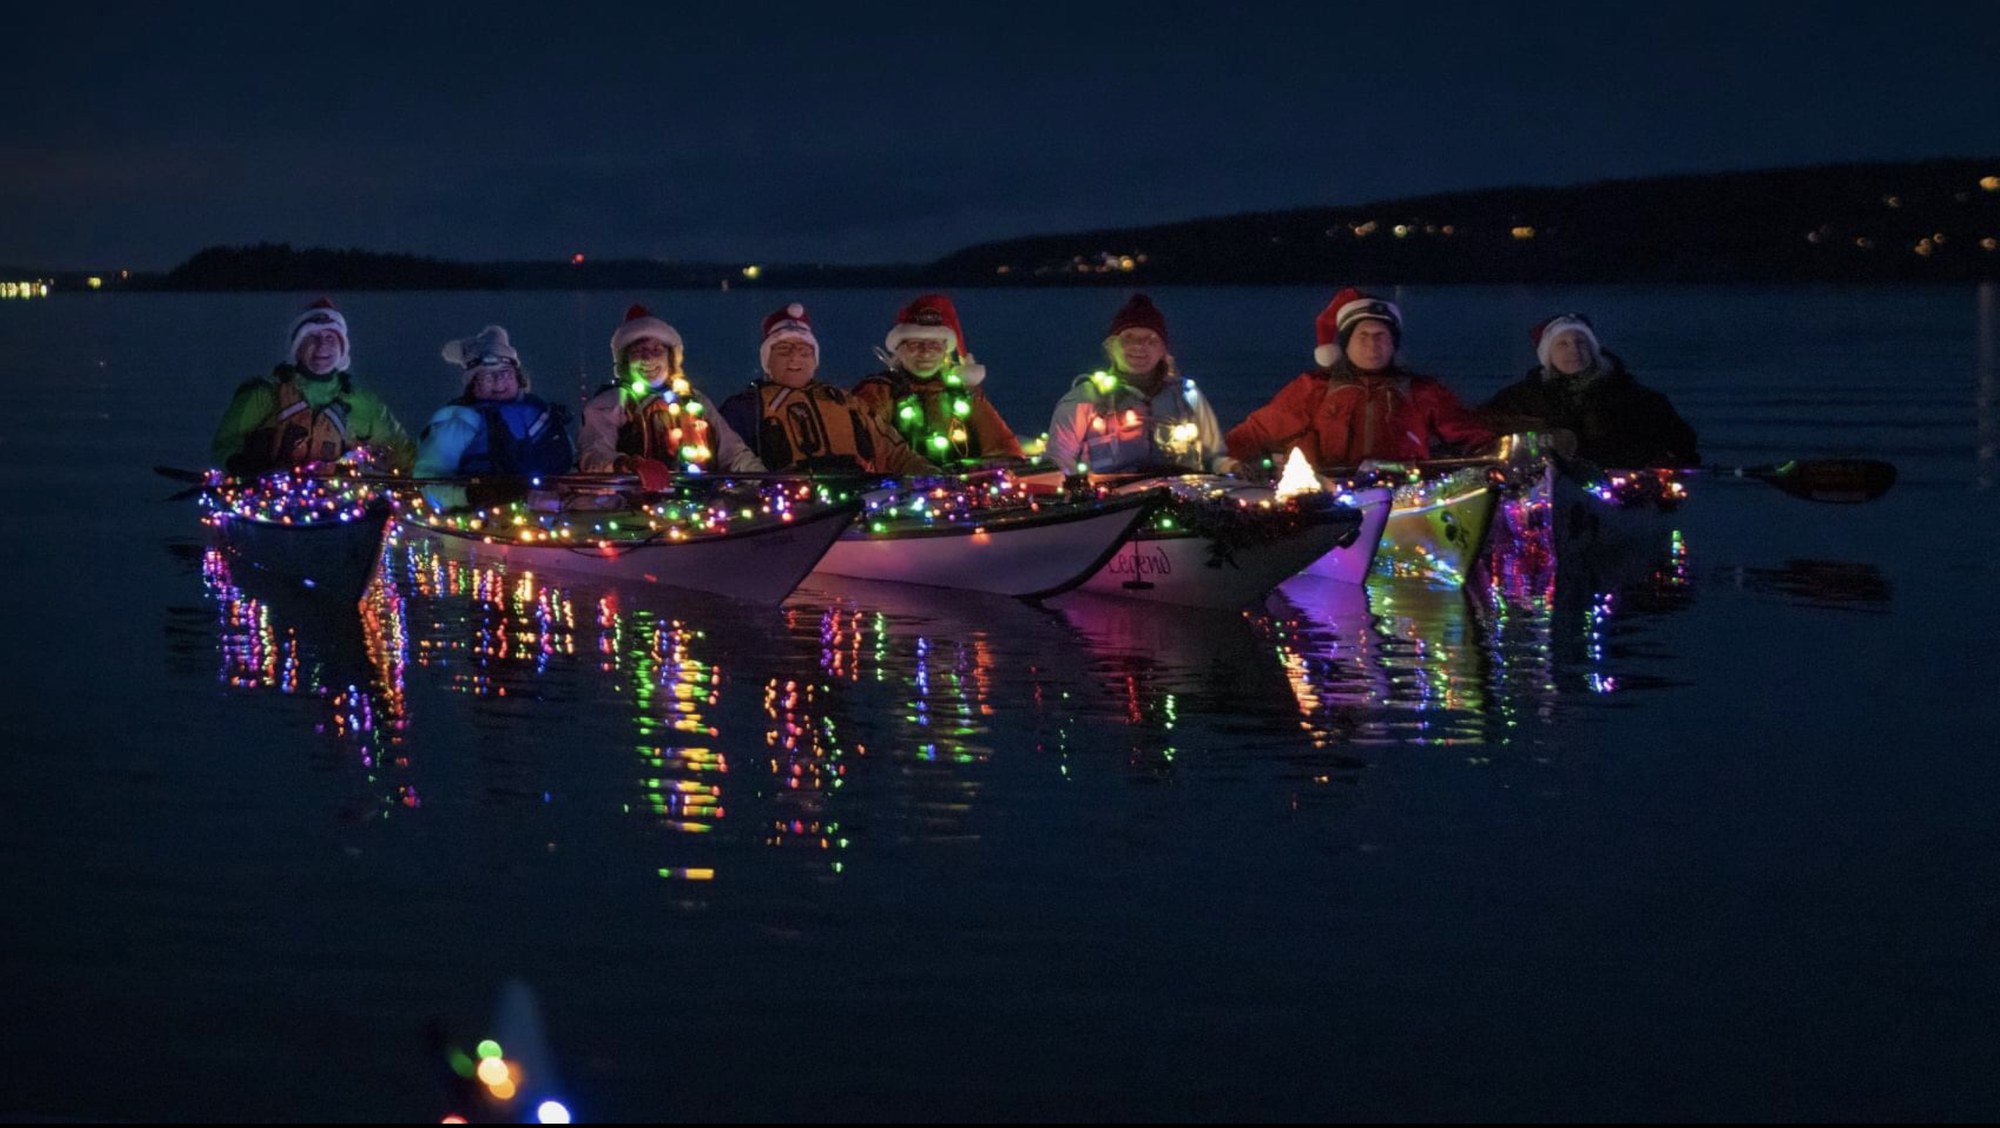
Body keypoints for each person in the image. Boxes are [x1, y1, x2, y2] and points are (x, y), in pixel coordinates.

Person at [1225, 288, 1493, 472]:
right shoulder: (1313, 389)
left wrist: (1493, 453)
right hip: (1331, 498)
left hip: (1404, 497)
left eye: (1381, 336)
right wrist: (1226, 461)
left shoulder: (1422, 391)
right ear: (1346, 345)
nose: (1372, 346)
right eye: (1362, 336)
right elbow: (1256, 432)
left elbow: (1471, 436)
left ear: (1393, 345)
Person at [718, 303, 937, 477]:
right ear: (767, 361)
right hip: (792, 508)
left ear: (815, 361)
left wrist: (933, 477)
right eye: (783, 350)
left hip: (859, 501)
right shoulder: (746, 408)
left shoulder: (848, 402)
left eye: (804, 351)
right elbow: (730, 460)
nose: (795, 357)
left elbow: (896, 453)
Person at [210, 297, 414, 476]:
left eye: (330, 338)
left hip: (339, 505)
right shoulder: (264, 395)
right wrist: (241, 465)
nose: (322, 346)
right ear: (297, 348)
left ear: (342, 349)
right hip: (267, 500)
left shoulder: (363, 403)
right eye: (312, 338)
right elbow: (225, 444)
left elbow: (402, 451)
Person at [578, 304, 765, 491]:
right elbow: (594, 454)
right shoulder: (610, 403)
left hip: (699, 502)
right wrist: (629, 465)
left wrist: (765, 483)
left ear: (671, 358)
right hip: (632, 508)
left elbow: (734, 453)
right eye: (637, 352)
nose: (648, 359)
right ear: (625, 362)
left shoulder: (695, 401)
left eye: (657, 351)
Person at [1043, 293, 1233, 476]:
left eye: (1151, 340)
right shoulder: (1084, 398)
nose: (1139, 347)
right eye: (1129, 339)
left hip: (1183, 494)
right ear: (1110, 346)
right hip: (1114, 501)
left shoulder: (1187, 396)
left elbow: (1215, 458)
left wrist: (1233, 467)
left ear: (1163, 350)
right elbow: (1059, 460)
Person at [1482, 314, 1700, 467]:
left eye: (1581, 342)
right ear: (1547, 355)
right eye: (1562, 344)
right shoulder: (1519, 399)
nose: (1574, 350)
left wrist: (1666, 460)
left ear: (1594, 349)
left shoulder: (1638, 398)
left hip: (1617, 492)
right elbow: (1479, 431)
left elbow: (1682, 443)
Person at [851, 294, 1023, 468]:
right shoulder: (879, 391)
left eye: (934, 345)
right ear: (898, 350)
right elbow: (866, 449)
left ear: (945, 351)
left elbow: (1005, 447)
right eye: (915, 344)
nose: (926, 353)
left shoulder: (964, 392)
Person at [413, 326, 574, 509]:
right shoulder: (458, 421)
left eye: (505, 373)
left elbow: (565, 460)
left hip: (546, 511)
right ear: (472, 383)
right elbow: (429, 478)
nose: (498, 382)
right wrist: (468, 495)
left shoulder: (538, 413)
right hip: (479, 518)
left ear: (517, 376)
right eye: (487, 377)